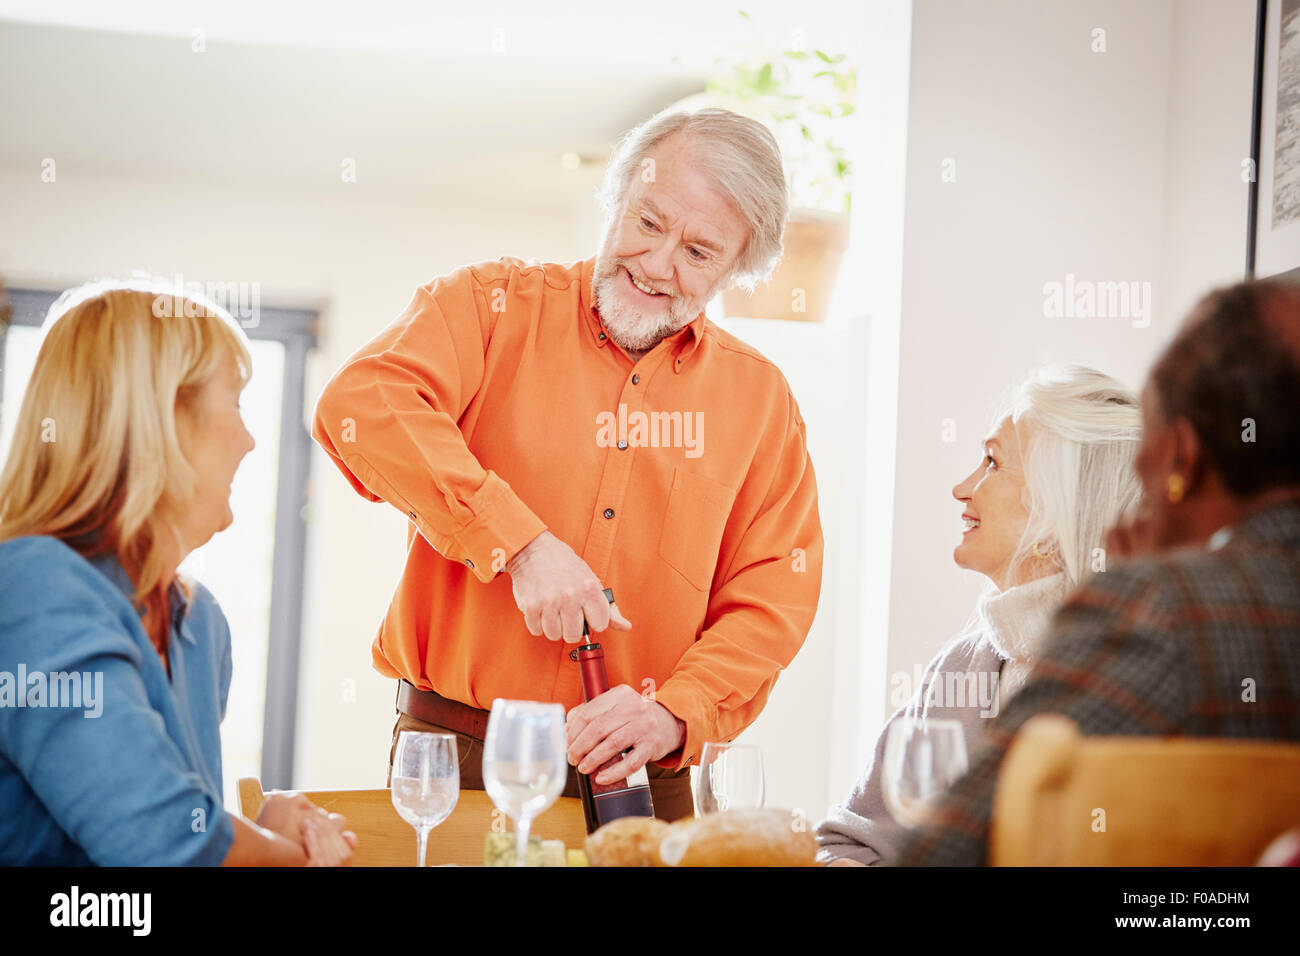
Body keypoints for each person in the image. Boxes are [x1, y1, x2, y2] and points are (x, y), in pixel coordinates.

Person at [312, 107, 824, 820]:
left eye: (698, 252)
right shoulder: (491, 307)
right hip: (460, 758)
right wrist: (516, 543)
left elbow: (774, 594)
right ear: (616, 200)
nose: (656, 264)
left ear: (736, 269)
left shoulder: (761, 401)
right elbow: (360, 404)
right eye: (648, 223)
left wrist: (677, 714)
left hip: (647, 772)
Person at [896, 278, 1300, 865]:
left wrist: (1154, 586)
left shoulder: (1158, 610)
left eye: (1146, 466)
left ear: (1182, 460)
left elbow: (948, 850)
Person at [0, 281, 355, 865]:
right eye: (235, 404)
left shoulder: (200, 624)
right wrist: (292, 857)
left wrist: (260, 830)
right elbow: (163, 845)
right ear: (160, 422)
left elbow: (181, 819)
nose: (249, 440)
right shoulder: (33, 590)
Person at [816, 365, 1142, 865]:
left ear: (1058, 507)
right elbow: (846, 842)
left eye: (992, 463)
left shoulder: (1144, 674)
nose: (962, 488)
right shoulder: (959, 672)